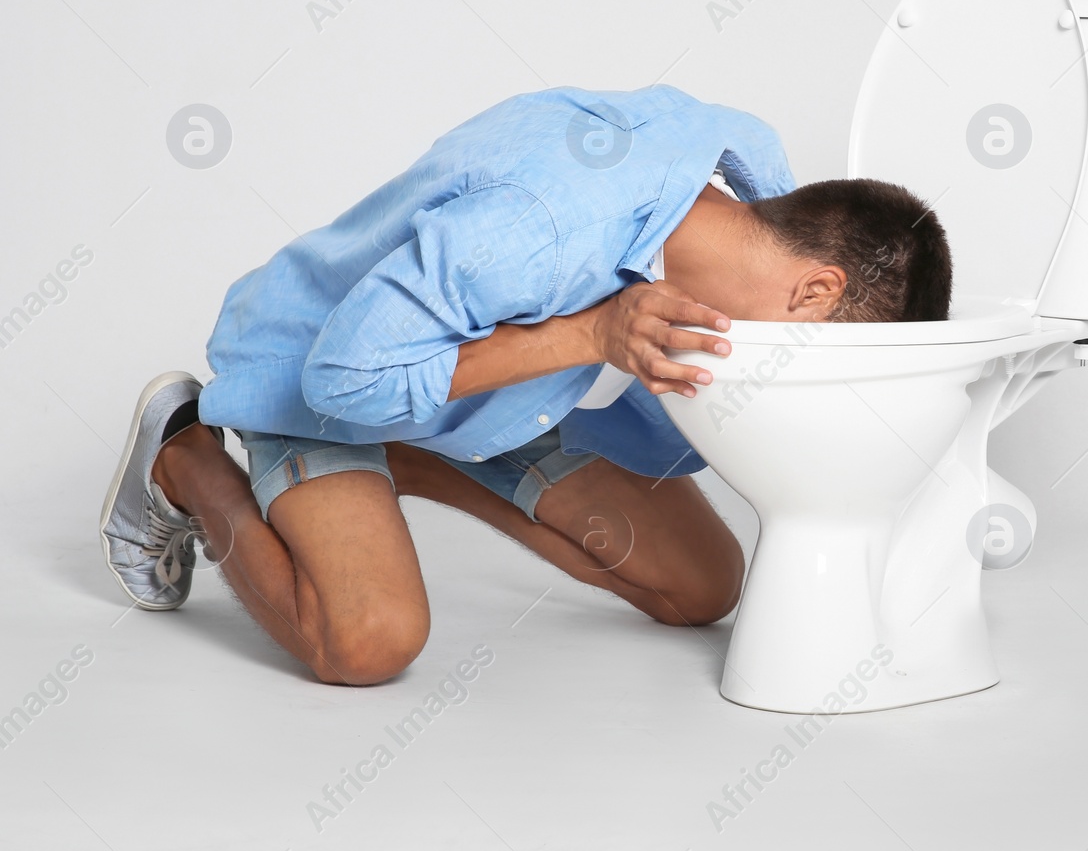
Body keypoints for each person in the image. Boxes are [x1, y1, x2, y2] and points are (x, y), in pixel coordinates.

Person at [99, 85, 952, 686]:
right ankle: (186, 453)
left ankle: (414, 452)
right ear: (816, 292)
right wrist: (591, 332)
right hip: (324, 369)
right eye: (823, 350)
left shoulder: (753, 176)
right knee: (369, 643)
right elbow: (345, 375)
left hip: (488, 385)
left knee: (703, 585)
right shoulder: (542, 229)